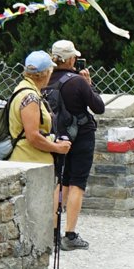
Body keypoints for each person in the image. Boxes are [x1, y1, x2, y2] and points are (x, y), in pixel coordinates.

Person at [48, 39, 105, 251]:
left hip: (57, 138)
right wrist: (89, 85)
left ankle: (53, 233)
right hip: (81, 136)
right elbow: (98, 107)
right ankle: (69, 235)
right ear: (71, 58)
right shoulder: (77, 82)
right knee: (77, 183)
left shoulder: (46, 79)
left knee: (60, 182)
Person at [6, 51, 72, 166]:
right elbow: (33, 137)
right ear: (46, 73)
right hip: (30, 161)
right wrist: (57, 148)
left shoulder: (22, 89)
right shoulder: (30, 97)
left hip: (26, 158)